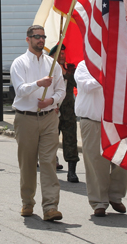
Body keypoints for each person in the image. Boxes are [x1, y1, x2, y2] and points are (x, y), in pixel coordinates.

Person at [10, 25, 66, 221]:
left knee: (49, 161)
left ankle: (50, 206)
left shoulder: (53, 64)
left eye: (43, 37)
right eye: (36, 37)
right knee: (27, 162)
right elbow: (20, 89)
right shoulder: (20, 63)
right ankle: (27, 202)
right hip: (26, 118)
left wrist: (51, 101)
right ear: (28, 39)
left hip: (49, 117)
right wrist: (38, 84)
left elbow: (61, 90)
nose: (41, 40)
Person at [75, 60, 127, 217]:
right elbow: (88, 86)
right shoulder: (83, 66)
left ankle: (115, 196)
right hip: (93, 121)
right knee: (96, 163)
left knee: (123, 160)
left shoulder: (120, 62)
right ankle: (99, 201)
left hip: (118, 122)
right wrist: (108, 74)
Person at [49, 43, 79, 183]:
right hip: (51, 111)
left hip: (68, 112)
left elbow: (76, 83)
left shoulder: (71, 69)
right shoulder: (47, 70)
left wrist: (64, 72)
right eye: (59, 54)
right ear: (52, 56)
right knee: (50, 141)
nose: (62, 56)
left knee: (71, 141)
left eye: (63, 53)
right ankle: (49, 167)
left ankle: (71, 172)